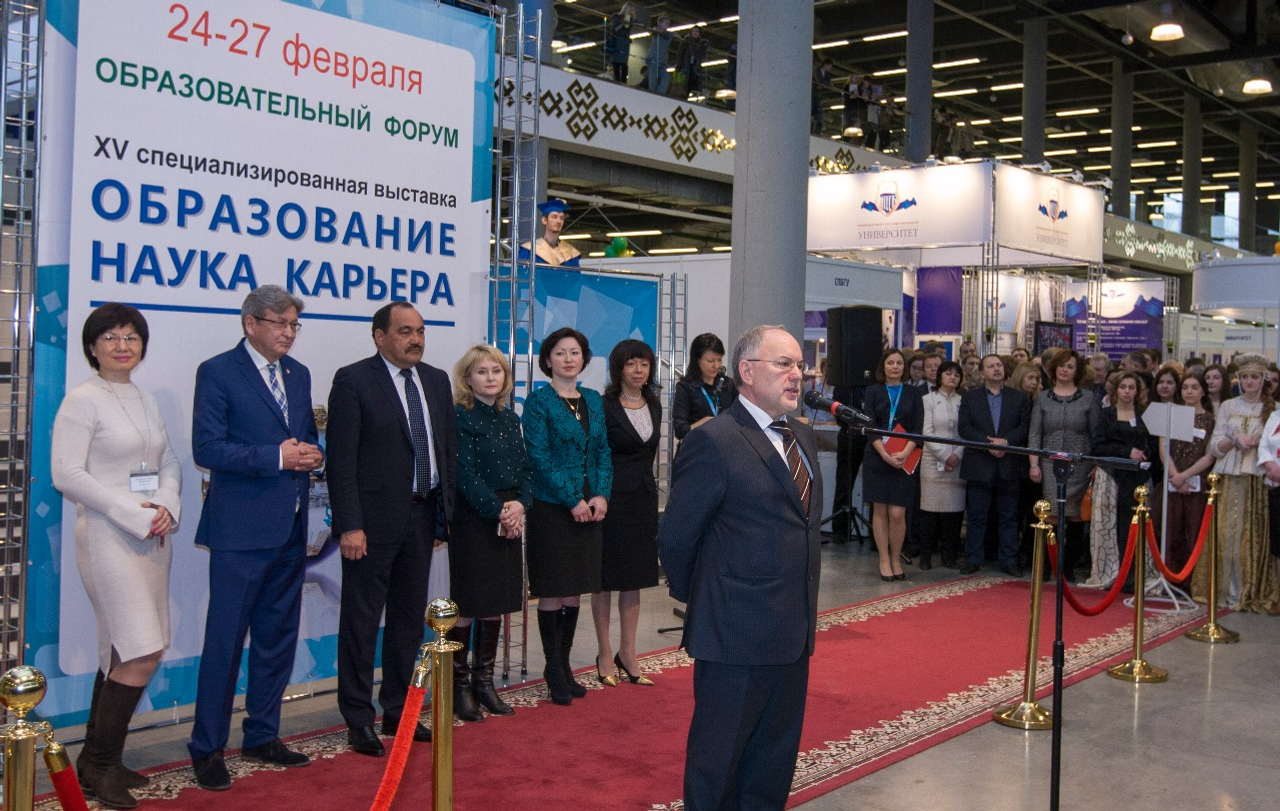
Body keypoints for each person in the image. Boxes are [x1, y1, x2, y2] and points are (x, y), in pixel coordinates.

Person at [658, 325, 821, 811]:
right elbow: (676, 536)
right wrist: (711, 599)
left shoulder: (802, 437)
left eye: (799, 365)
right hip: (735, 632)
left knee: (772, 763)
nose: (797, 375)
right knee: (719, 763)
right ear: (747, 372)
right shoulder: (715, 440)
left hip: (793, 630)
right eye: (784, 364)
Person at [189, 286, 323, 790]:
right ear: (251, 323)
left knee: (277, 638)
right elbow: (208, 449)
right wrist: (275, 457)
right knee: (225, 643)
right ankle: (207, 748)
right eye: (279, 323)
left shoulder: (298, 373)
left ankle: (263, 734)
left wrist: (313, 455)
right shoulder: (218, 371)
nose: (289, 333)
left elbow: (305, 437)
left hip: (291, 527)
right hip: (240, 532)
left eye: (294, 325)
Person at [51, 304, 181, 809]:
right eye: (110, 337)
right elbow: (67, 475)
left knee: (122, 651)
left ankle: (96, 761)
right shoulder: (82, 400)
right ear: (92, 347)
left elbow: (168, 460)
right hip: (108, 536)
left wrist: (165, 505)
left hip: (151, 536)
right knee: (141, 649)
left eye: (131, 337)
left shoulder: (144, 397)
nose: (122, 346)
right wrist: (132, 512)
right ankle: (101, 764)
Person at [327, 302, 457, 753]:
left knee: (406, 624)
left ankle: (399, 711)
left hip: (422, 518)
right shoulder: (354, 380)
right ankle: (358, 717)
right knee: (361, 623)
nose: (415, 339)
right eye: (405, 331)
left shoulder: (436, 380)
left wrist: (442, 518)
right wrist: (350, 525)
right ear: (379, 336)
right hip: (370, 525)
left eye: (420, 331)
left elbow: (445, 452)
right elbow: (340, 461)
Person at [522, 327, 612, 705]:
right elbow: (538, 458)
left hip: (590, 507)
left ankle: (563, 666)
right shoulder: (538, 402)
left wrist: (601, 494)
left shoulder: (593, 399)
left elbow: (603, 451)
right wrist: (573, 499)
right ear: (548, 360)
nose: (568, 359)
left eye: (575, 352)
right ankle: (553, 667)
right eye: (560, 353)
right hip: (552, 507)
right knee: (553, 588)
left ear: (584, 358)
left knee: (575, 588)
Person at [449, 345, 533, 719]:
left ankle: (484, 682)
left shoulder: (510, 418)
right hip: (474, 519)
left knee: (496, 602)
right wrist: (499, 510)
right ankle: (459, 686)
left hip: (508, 517)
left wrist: (520, 505)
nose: (490, 378)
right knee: (470, 603)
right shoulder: (460, 416)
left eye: (496, 371)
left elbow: (526, 469)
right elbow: (463, 474)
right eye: (482, 372)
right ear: (468, 378)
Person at [594, 340, 661, 687]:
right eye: (632, 364)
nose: (639, 370)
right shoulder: (603, 405)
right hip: (611, 499)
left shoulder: (654, 403)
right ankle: (605, 653)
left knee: (634, 578)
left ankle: (629, 652)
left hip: (643, 499)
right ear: (618, 368)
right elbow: (596, 453)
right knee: (606, 578)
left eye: (644, 364)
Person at [1197, 353, 1279, 613]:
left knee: (1253, 537)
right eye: (1244, 377)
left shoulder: (1274, 409)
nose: (1249, 381)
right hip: (1229, 475)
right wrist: (1233, 440)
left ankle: (1249, 589)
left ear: (1263, 380)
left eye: (1254, 377)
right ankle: (1224, 589)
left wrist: (1257, 445)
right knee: (1226, 534)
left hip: (1257, 478)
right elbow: (1214, 447)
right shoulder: (1228, 406)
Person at [1029, 348, 1104, 583]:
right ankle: (1046, 566)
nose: (1065, 370)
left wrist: (1096, 464)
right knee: (1051, 515)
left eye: (1070, 366)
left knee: (1075, 517)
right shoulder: (1042, 397)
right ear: (1054, 369)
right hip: (1049, 464)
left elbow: (1096, 435)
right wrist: (1034, 464)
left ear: (1077, 371)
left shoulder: (1088, 398)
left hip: (1080, 465)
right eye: (1061, 365)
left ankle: (1067, 568)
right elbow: (1035, 434)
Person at [958, 355, 1032, 576]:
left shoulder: (1019, 397)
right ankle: (973, 559)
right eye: (991, 366)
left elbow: (1025, 427)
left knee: (1008, 517)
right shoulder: (970, 397)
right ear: (982, 373)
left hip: (1009, 465)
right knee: (976, 516)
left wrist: (1005, 442)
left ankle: (1008, 560)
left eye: (999, 365)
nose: (996, 369)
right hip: (980, 464)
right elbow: (964, 427)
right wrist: (988, 444)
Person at [862, 348, 924, 581]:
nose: (895, 367)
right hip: (877, 455)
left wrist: (904, 453)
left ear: (904, 367)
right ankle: (883, 560)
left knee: (898, 513)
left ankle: (896, 558)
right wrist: (885, 454)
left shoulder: (914, 393)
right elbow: (869, 425)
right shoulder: (873, 391)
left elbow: (918, 428)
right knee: (880, 510)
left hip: (905, 456)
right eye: (891, 363)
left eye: (899, 363)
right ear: (883, 367)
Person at [1096, 372, 1156, 591]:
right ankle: (1115, 573)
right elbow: (1097, 446)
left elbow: (1153, 444)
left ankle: (1134, 574)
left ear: (1137, 391)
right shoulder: (1105, 415)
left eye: (1132, 387)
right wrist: (1127, 451)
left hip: (1139, 477)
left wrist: (1144, 455)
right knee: (1114, 525)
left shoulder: (1145, 415)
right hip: (1112, 477)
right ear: (1116, 390)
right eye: (1123, 387)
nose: (1127, 391)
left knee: (1135, 525)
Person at [1163, 374, 1215, 572]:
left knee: (1194, 532)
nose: (1189, 392)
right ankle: (1170, 575)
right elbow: (1163, 447)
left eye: (1194, 387)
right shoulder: (1172, 415)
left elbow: (1209, 455)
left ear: (1203, 391)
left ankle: (1192, 579)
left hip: (1197, 482)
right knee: (1171, 532)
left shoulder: (1210, 420)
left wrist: (1184, 477)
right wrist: (1175, 476)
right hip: (1172, 481)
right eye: (1185, 387)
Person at [919, 360, 965, 569]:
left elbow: (965, 432)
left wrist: (956, 455)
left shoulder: (963, 401)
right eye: (948, 373)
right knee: (929, 510)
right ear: (940, 377)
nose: (952, 377)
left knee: (953, 512)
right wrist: (945, 455)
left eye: (956, 375)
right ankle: (925, 556)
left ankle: (949, 556)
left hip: (958, 460)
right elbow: (926, 432)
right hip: (932, 459)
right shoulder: (928, 399)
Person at [672, 332, 738, 440]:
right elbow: (680, 431)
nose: (716, 365)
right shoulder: (686, 387)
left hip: (725, 444)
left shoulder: (728, 385)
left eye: (719, 360)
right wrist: (703, 424)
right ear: (697, 360)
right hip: (697, 445)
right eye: (710, 361)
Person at [518, 199, 581, 268]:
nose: (559, 221)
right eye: (554, 217)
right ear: (544, 220)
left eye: (562, 218)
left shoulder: (571, 253)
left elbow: (575, 275)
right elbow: (521, 273)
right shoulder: (529, 250)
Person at [604, 3, 635, 83]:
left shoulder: (630, 19)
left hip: (624, 42)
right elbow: (614, 30)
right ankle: (617, 80)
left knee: (624, 63)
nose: (631, 11)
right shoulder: (617, 16)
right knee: (616, 62)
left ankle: (623, 81)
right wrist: (623, 24)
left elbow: (627, 29)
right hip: (617, 40)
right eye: (630, 9)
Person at [675, 26, 707, 97]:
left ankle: (686, 96)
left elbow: (702, 56)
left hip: (694, 68)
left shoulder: (700, 45)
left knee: (690, 85)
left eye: (697, 31)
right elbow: (680, 55)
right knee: (681, 85)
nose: (695, 33)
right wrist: (678, 66)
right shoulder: (685, 42)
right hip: (683, 67)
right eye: (694, 31)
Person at [646, 15, 672, 95]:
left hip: (663, 61)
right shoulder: (656, 31)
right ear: (660, 23)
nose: (667, 25)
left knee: (666, 77)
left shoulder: (668, 34)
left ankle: (660, 93)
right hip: (654, 59)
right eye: (666, 23)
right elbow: (653, 31)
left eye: (668, 24)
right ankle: (652, 93)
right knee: (653, 79)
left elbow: (674, 35)